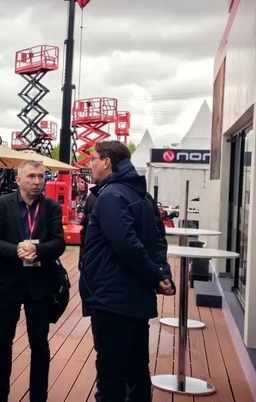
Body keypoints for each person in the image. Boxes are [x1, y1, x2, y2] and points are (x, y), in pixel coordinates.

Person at [79, 140, 175, 402]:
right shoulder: (142, 195)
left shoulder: (111, 196)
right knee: (137, 371)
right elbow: (158, 239)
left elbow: (127, 246)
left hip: (112, 299)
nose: (90, 164)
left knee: (112, 376)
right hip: (135, 298)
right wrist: (161, 274)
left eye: (93, 158)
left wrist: (156, 276)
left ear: (107, 162)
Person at [0, 160, 66, 402]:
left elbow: (59, 243)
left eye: (41, 176)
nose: (37, 181)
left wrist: (37, 250)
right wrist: (16, 250)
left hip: (40, 286)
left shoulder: (51, 208)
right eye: (31, 176)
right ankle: (0, 393)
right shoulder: (1, 205)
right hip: (8, 283)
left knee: (39, 343)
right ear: (18, 180)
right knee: (3, 340)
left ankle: (39, 396)